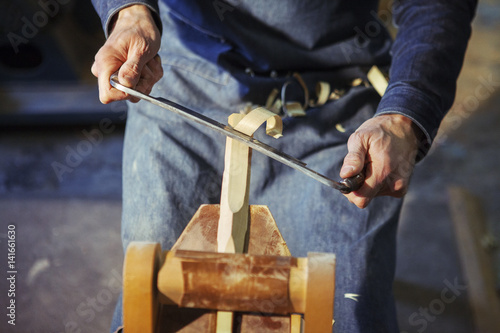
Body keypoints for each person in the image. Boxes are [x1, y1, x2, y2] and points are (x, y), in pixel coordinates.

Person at [90, 1, 477, 332]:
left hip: (338, 96)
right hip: (180, 82)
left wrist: (404, 114)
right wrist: (130, 12)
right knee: (148, 298)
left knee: (347, 304)